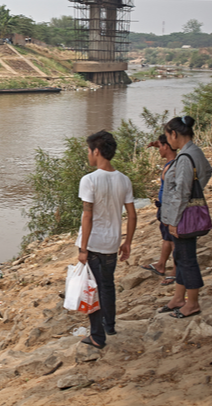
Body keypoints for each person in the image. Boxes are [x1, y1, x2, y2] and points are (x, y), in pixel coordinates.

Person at [76, 130, 137, 349]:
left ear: (97, 151)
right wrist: (127, 241)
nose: (88, 155)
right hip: (112, 241)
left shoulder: (89, 180)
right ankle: (109, 325)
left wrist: (83, 248)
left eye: (89, 151)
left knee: (93, 288)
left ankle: (96, 336)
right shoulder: (124, 179)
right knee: (107, 285)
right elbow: (132, 214)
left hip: (94, 243)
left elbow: (88, 215)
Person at [159, 116, 212, 319]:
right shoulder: (195, 151)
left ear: (174, 134)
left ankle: (192, 303)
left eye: (167, 136)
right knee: (180, 257)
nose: (168, 141)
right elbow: (208, 171)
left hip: (181, 217)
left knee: (187, 259)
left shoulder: (183, 158)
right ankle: (179, 297)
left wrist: (173, 221)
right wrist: (196, 194)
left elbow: (181, 192)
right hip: (188, 213)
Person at [141, 134, 178, 286]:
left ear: (166, 146)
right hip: (165, 208)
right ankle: (161, 264)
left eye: (160, 147)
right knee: (167, 237)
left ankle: (176, 270)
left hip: (170, 209)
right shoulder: (171, 162)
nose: (158, 150)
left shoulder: (174, 166)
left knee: (174, 239)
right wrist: (157, 143)